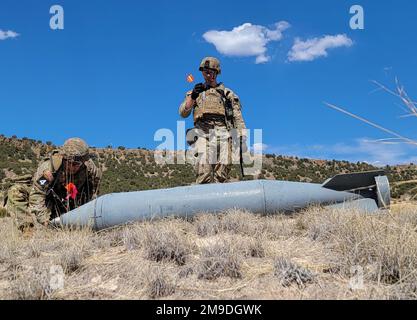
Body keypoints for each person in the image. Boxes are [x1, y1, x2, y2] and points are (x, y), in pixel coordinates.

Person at [4, 137, 102, 231]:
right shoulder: (49, 169)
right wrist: (44, 221)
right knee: (15, 191)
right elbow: (37, 194)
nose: (72, 167)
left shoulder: (90, 169)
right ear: (63, 158)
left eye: (77, 164)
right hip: (49, 201)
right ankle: (28, 231)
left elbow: (93, 194)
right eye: (69, 162)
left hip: (71, 203)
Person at [179, 57, 247, 184]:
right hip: (201, 132)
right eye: (205, 71)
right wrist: (193, 96)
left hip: (223, 132)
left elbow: (237, 117)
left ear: (217, 72)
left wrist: (241, 137)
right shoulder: (195, 92)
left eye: (211, 71)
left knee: (222, 172)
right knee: (203, 168)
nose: (208, 74)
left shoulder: (227, 94)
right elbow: (183, 112)